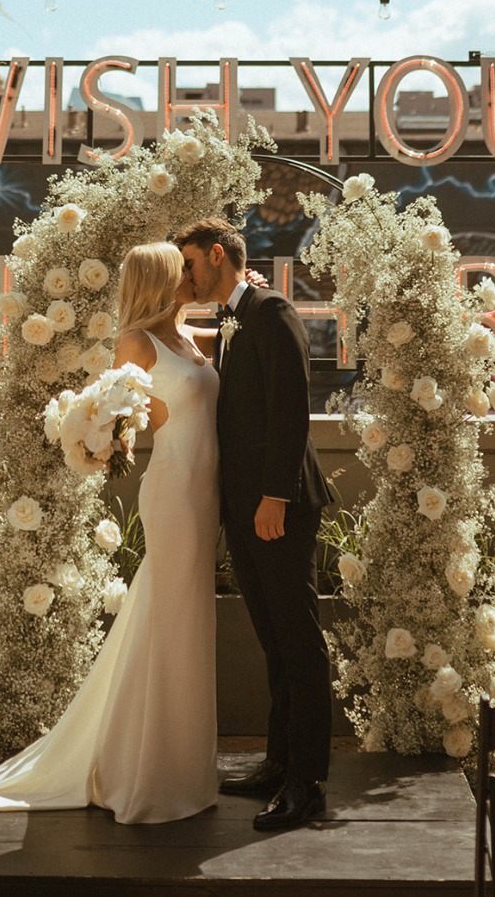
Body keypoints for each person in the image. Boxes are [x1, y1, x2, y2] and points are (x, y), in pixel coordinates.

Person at [0, 241, 220, 847]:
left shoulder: (188, 337)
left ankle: (182, 767)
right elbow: (113, 419)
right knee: (165, 620)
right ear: (160, 280)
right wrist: (103, 439)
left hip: (206, 495)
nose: (194, 277)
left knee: (186, 623)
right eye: (183, 270)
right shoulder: (136, 344)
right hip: (174, 491)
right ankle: (143, 776)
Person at [173, 217, 333, 832]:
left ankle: (307, 783)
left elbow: (293, 409)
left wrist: (275, 497)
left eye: (191, 264)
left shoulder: (271, 312)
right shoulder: (238, 316)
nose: (186, 277)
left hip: (278, 507)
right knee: (272, 637)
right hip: (246, 508)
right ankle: (277, 763)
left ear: (218, 255)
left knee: (298, 641)